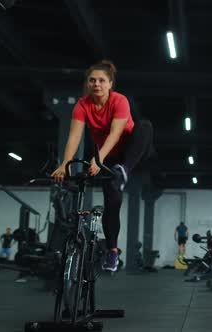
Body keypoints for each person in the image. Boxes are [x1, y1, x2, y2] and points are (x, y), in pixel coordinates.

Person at [51, 60, 154, 272]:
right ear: (88, 83)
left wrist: (99, 160)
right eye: (92, 80)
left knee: (145, 125)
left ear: (110, 84)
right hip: (109, 159)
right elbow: (74, 136)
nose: (96, 84)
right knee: (112, 203)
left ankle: (124, 171)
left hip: (132, 153)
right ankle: (112, 252)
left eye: (101, 80)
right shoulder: (82, 105)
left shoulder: (119, 100)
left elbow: (116, 133)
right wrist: (65, 165)